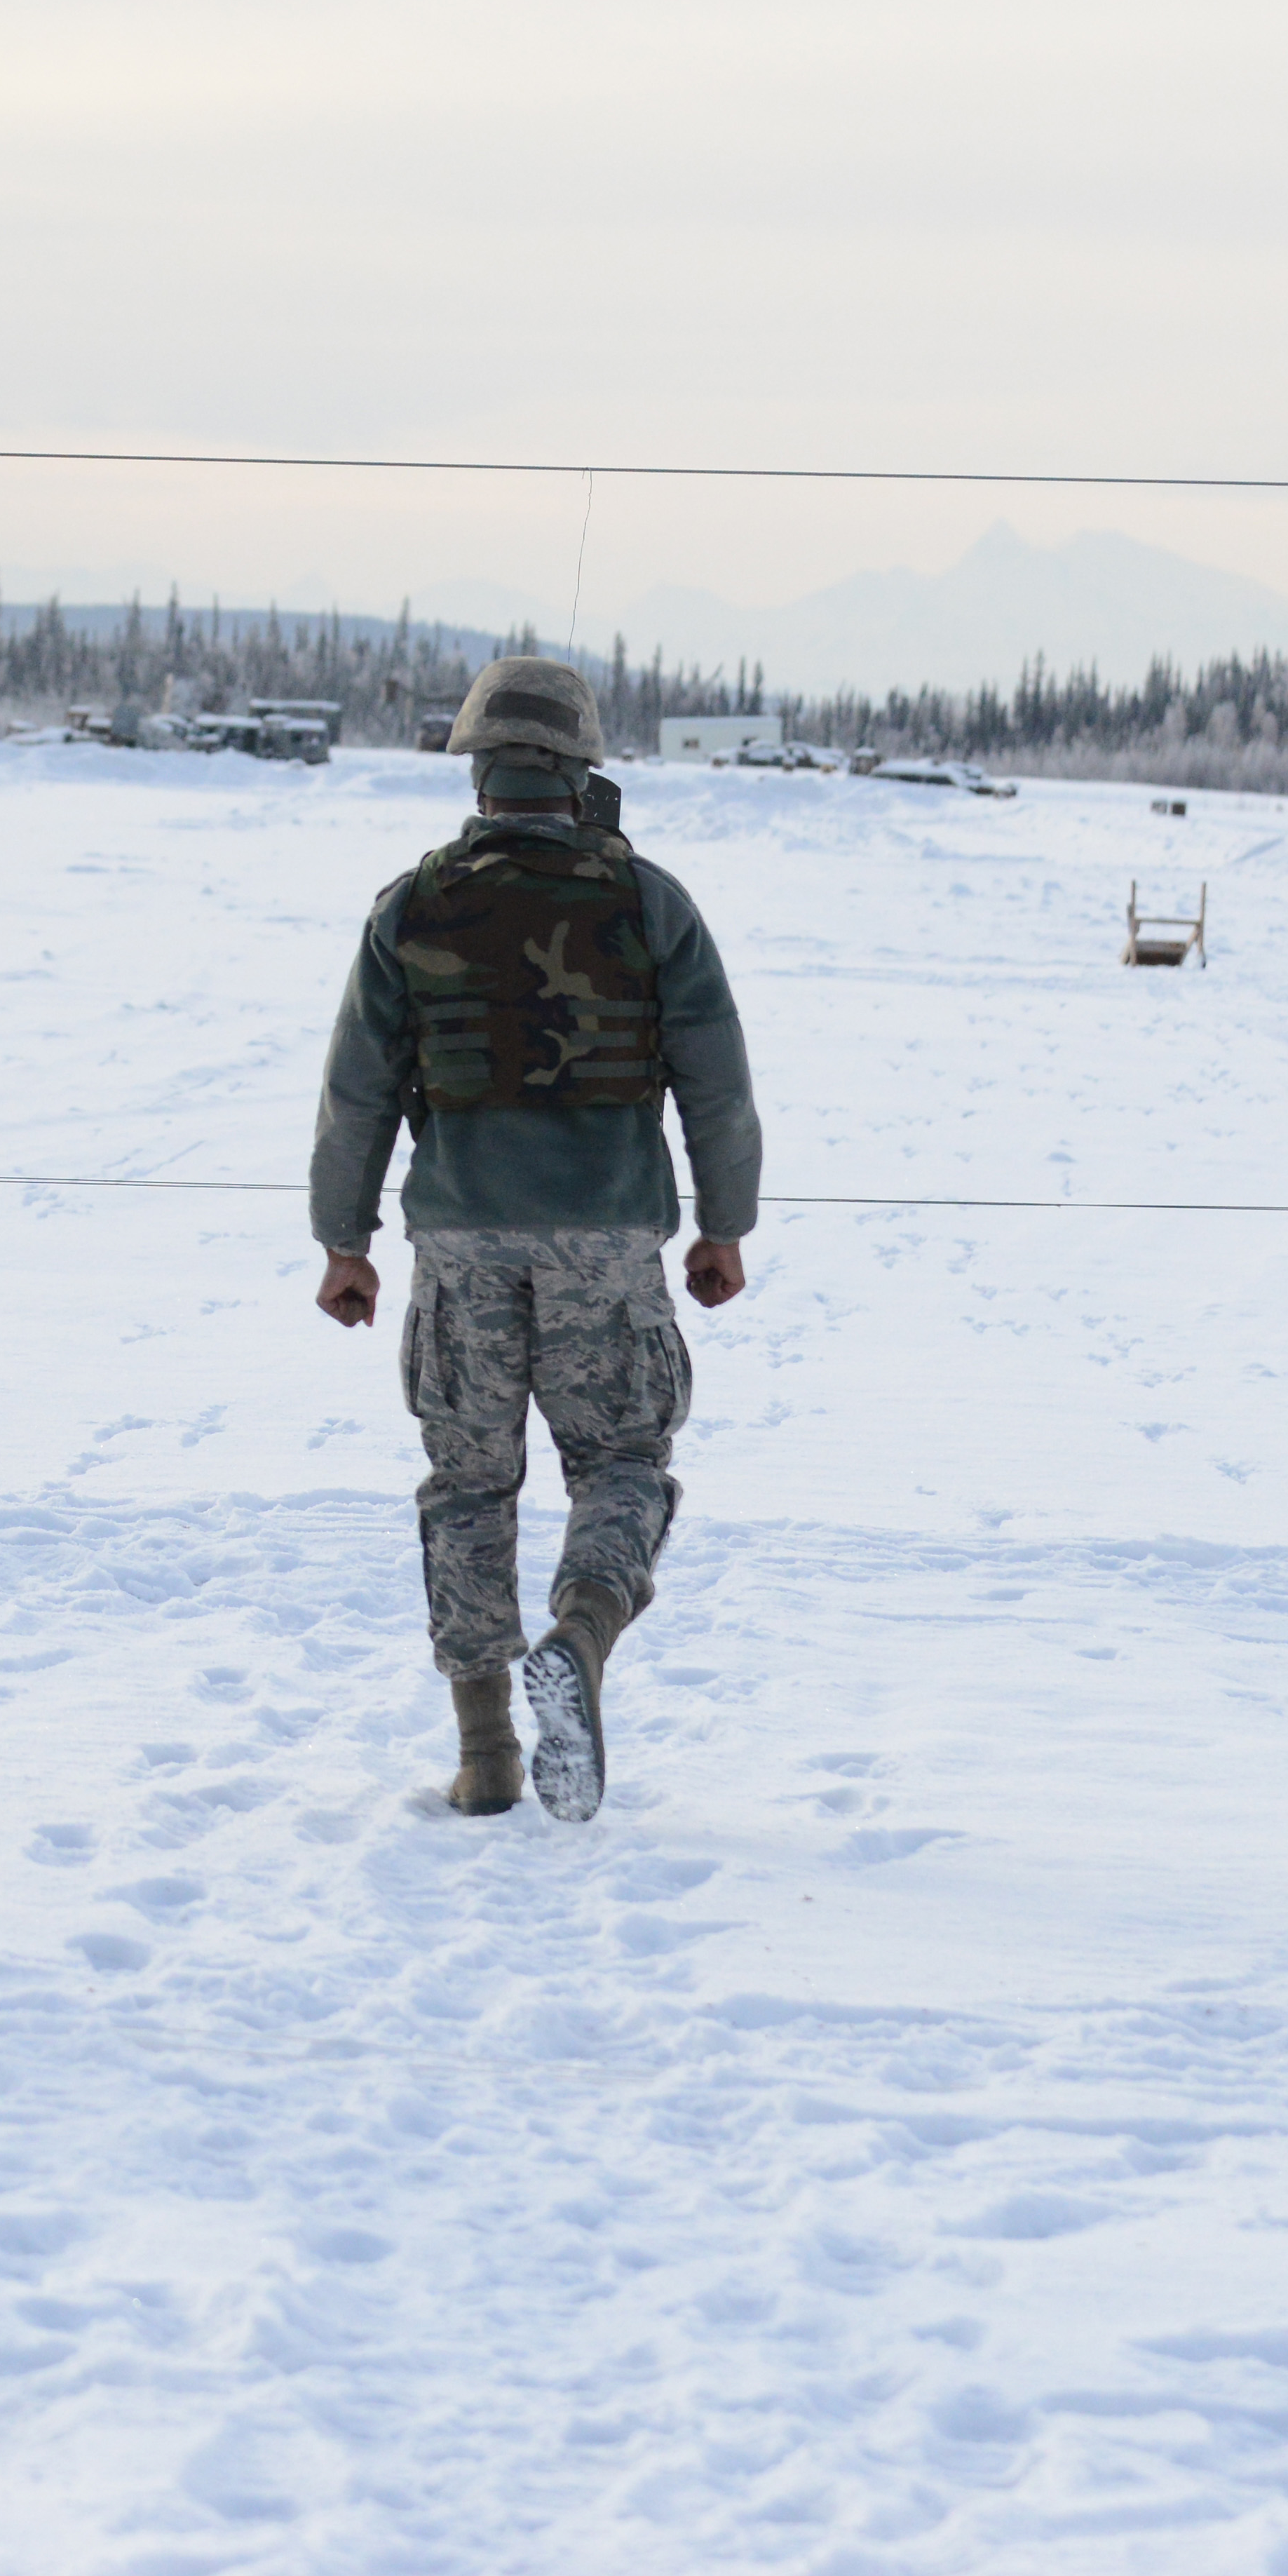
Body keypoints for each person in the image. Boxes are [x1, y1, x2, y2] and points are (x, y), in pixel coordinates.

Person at [309, 656, 762, 1826]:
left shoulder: (408, 907)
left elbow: (358, 1093)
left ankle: (485, 1758)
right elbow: (715, 1086)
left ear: (478, 765)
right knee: (622, 1465)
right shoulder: (648, 901)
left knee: (467, 1487)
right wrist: (723, 1227)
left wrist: (343, 1242)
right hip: (607, 1244)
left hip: (458, 1247)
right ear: (580, 767)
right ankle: (583, 1635)